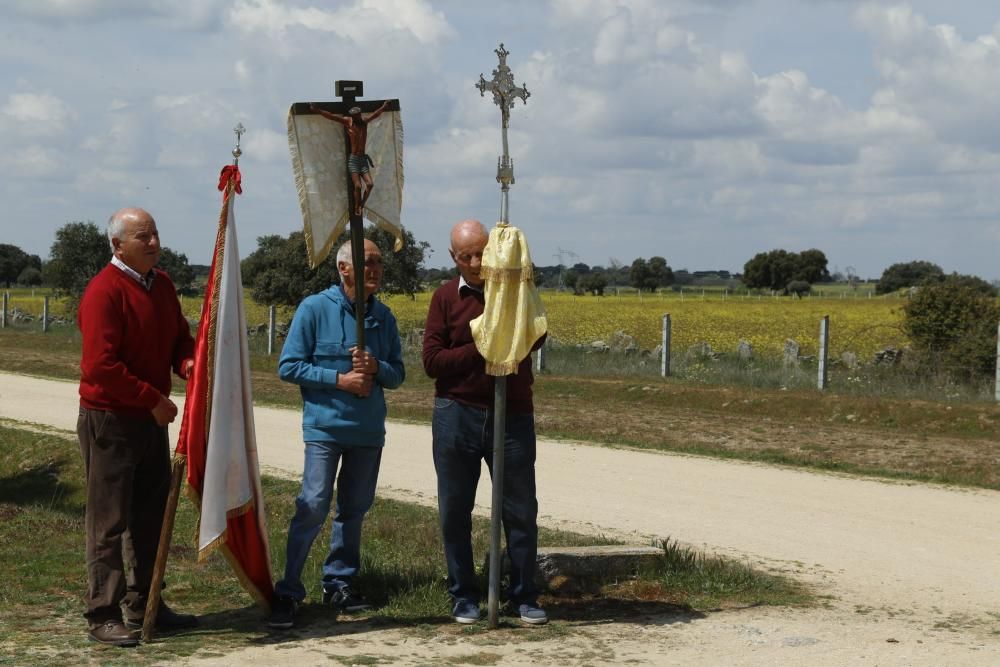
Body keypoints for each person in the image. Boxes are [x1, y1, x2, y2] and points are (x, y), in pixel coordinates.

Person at [76, 207, 199, 646]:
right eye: (142, 236)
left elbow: (179, 339)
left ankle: (146, 603)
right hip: (110, 419)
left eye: (155, 234)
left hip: (150, 421)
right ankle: (102, 613)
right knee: (108, 521)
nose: (153, 242)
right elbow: (101, 366)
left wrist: (188, 363)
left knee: (149, 517)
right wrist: (153, 400)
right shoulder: (103, 292)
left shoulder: (162, 285)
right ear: (117, 245)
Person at [269, 238, 405, 629]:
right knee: (312, 503)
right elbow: (289, 366)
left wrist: (377, 367)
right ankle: (289, 590)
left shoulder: (385, 318)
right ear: (344, 269)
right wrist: (339, 380)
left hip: (367, 432)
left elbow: (399, 374)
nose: (375, 269)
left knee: (354, 509)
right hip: (324, 428)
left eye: (379, 262)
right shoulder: (314, 309)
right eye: (367, 262)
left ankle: (339, 582)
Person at [422, 219, 548, 626]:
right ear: (453, 257)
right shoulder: (444, 298)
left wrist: (514, 288)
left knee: (520, 508)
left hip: (512, 413)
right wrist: (481, 347)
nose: (475, 262)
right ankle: (463, 595)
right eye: (466, 256)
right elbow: (432, 362)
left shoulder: (512, 293)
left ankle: (525, 595)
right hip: (456, 413)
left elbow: (536, 336)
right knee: (454, 509)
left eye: (481, 252)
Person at [310, 100, 390, 216]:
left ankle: (361, 204)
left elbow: (376, 114)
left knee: (370, 184)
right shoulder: (348, 122)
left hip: (362, 160)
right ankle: (357, 207)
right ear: (353, 116)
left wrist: (384, 106)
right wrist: (317, 110)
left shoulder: (364, 122)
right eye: (356, 115)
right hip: (353, 160)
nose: (359, 117)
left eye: (359, 115)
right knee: (357, 186)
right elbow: (331, 116)